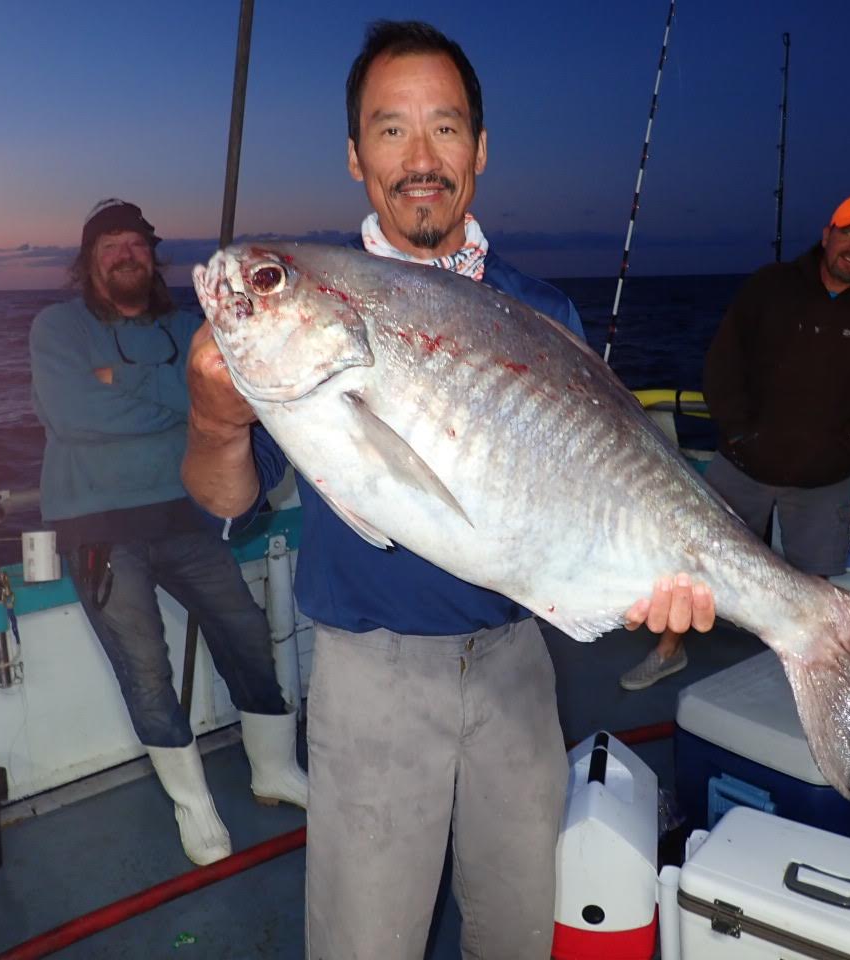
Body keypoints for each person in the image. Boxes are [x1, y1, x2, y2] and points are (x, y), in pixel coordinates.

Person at [181, 21, 714, 960]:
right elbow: (227, 502)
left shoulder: (541, 309)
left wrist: (663, 580)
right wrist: (217, 418)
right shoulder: (309, 318)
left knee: (516, 930)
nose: (420, 158)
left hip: (518, 663)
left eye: (446, 128)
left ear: (479, 148)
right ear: (354, 155)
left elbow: (593, 494)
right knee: (367, 941)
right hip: (372, 674)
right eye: (391, 130)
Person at [29, 199, 308, 867]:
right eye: (110, 245)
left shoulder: (190, 324)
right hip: (98, 526)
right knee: (147, 667)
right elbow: (72, 414)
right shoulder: (56, 328)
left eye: (136, 244)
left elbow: (234, 396)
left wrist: (123, 380)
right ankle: (194, 803)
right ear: (89, 260)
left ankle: (273, 771)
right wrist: (179, 394)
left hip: (186, 513)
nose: (126, 254)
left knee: (245, 633)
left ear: (151, 257)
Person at [621, 195, 850, 692]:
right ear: (827, 234)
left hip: (824, 479)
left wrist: (847, 452)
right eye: (848, 232)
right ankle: (669, 650)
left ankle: (813, 676)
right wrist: (738, 433)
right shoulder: (770, 286)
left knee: (815, 587)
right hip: (743, 465)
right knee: (691, 563)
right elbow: (722, 364)